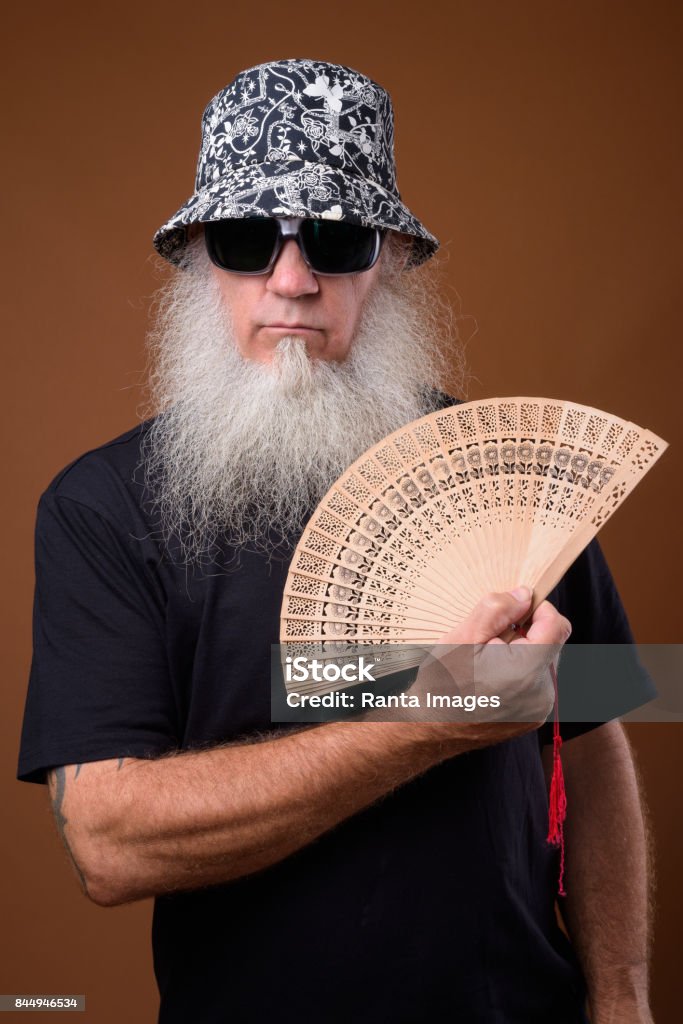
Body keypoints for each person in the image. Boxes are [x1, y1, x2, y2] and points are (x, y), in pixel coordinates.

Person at [18, 59, 655, 1023]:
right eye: (244, 240)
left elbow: (598, 732)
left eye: (335, 237)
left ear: (388, 259)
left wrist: (622, 997)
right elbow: (108, 848)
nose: (292, 279)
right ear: (196, 260)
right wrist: (422, 724)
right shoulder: (98, 508)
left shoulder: (511, 482)